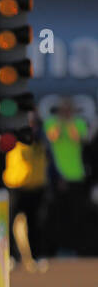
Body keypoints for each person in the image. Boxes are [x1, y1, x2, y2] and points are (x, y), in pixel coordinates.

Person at [44, 97, 90, 255]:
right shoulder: (51, 122)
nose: (66, 112)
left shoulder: (78, 123)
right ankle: (61, 248)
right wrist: (60, 121)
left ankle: (75, 248)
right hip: (58, 175)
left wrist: (70, 121)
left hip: (76, 175)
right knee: (59, 214)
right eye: (64, 109)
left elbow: (79, 138)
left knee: (76, 214)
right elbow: (53, 137)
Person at [3, 110, 49, 267]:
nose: (32, 127)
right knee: (8, 224)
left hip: (36, 188)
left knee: (35, 224)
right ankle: (11, 256)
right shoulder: (14, 139)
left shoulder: (41, 142)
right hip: (16, 187)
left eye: (34, 124)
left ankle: (35, 257)